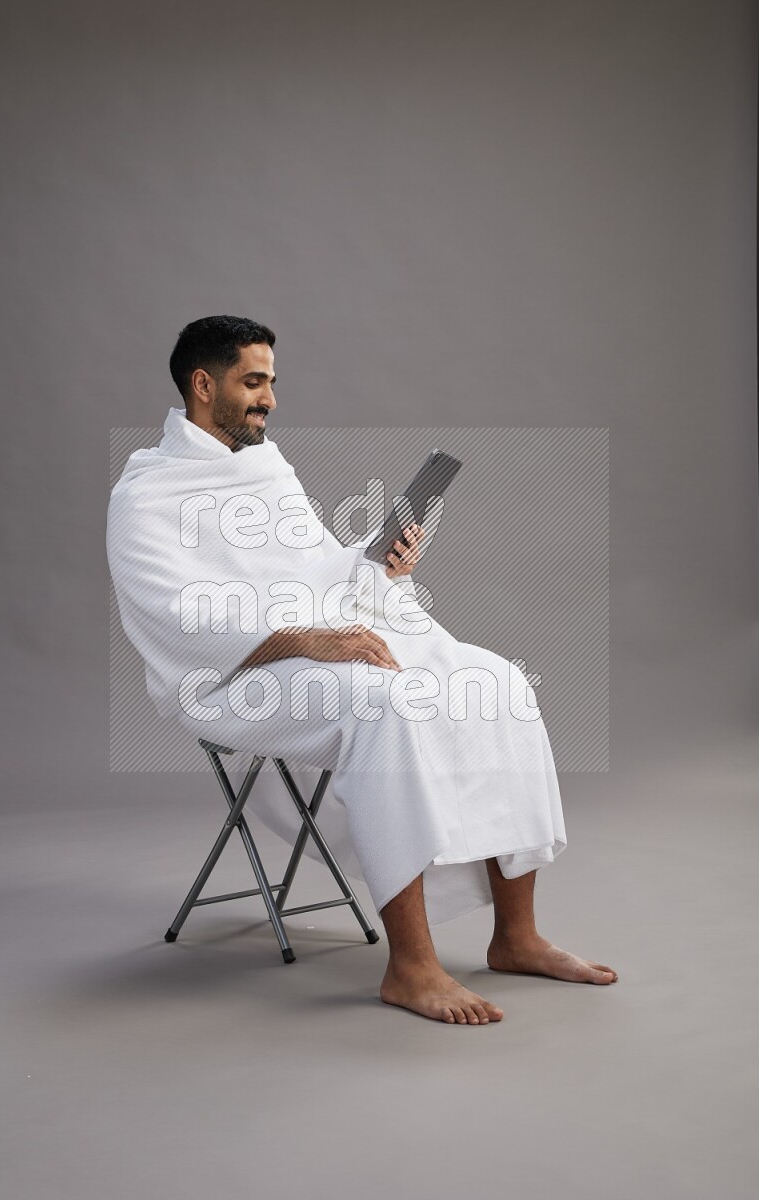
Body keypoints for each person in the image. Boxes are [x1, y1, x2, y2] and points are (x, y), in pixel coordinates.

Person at [107, 315, 618, 1025]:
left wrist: (375, 562)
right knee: (386, 704)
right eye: (253, 383)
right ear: (203, 384)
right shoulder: (146, 495)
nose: (270, 400)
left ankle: (516, 935)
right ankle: (410, 965)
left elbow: (313, 566)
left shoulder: (264, 465)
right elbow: (177, 615)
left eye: (272, 383)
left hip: (307, 647)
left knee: (496, 683)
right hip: (229, 676)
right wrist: (307, 639)